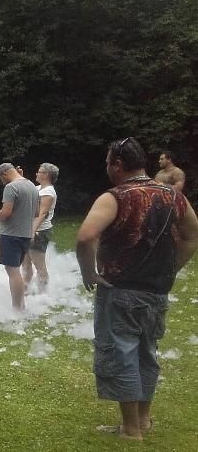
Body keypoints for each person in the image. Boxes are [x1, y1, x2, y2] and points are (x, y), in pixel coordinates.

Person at [76, 137, 198, 441]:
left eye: (107, 162)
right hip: (156, 292)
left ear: (118, 164)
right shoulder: (172, 195)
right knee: (147, 352)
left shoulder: (115, 196)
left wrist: (89, 272)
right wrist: (170, 270)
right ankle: (143, 419)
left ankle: (130, 430)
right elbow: (192, 235)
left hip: (120, 290)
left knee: (122, 354)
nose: (106, 167)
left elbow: (85, 237)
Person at [0, 162, 39, 311]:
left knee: (12, 271)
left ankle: (18, 308)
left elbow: (6, 213)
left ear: (4, 173)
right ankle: (21, 305)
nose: (2, 182)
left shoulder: (11, 187)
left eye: (1, 179)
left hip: (11, 234)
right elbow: (37, 213)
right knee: (15, 269)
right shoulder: (32, 186)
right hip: (25, 234)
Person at [22, 163, 59, 292]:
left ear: (46, 175)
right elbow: (25, 190)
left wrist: (32, 231)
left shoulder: (48, 192)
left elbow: (42, 214)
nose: (36, 174)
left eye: (39, 172)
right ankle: (25, 291)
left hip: (39, 231)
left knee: (39, 265)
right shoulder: (38, 188)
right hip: (28, 230)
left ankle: (44, 295)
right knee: (25, 264)